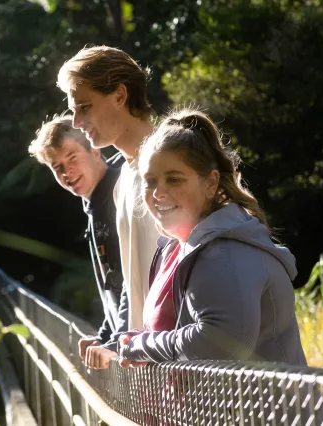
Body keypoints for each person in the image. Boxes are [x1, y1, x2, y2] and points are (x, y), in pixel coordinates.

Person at [116, 109, 307, 365]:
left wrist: (140, 345)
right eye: (150, 181)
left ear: (210, 183)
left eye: (174, 179)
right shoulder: (176, 249)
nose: (158, 193)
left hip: (257, 405)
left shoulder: (227, 253)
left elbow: (217, 345)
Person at [57, 46, 161, 369]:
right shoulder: (125, 178)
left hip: (202, 372)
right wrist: (118, 341)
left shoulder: (172, 164)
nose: (76, 121)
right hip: (152, 371)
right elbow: (130, 282)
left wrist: (133, 345)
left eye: (84, 107)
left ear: (119, 95)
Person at [28, 115, 128, 358]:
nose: (67, 172)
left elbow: (135, 280)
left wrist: (117, 341)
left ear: (94, 150)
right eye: (57, 167)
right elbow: (113, 284)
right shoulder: (95, 205)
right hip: (129, 344)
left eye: (72, 157)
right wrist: (105, 334)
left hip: (149, 351)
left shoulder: (120, 195)